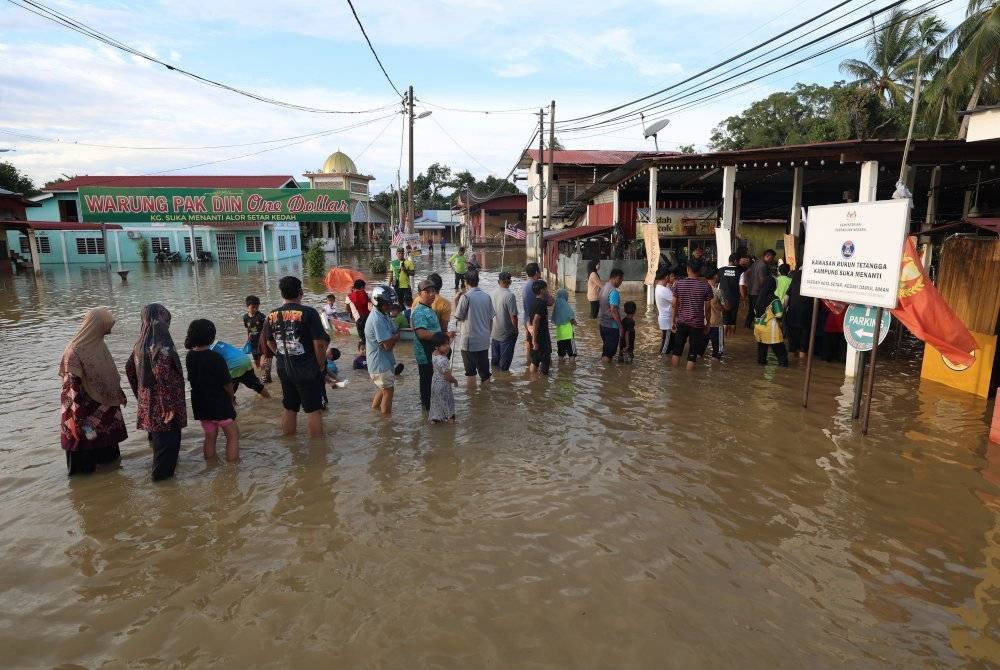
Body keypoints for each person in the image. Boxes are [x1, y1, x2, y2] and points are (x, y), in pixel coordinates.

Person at [59, 308, 128, 476]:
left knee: (111, 467)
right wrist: (78, 421)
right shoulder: (74, 353)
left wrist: (118, 393)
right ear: (96, 326)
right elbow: (70, 391)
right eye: (107, 326)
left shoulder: (99, 345)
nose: (110, 330)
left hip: (105, 412)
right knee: (83, 471)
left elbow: (109, 374)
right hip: (84, 414)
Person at [125, 303, 187, 481]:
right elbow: (162, 376)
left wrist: (142, 396)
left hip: (150, 405)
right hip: (166, 409)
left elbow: (129, 368)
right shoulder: (162, 347)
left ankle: (160, 484)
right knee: (166, 454)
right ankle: (165, 493)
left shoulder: (140, 343)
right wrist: (167, 406)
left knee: (159, 447)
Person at [262, 276, 329, 437]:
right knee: (313, 410)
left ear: (281, 293)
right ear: (301, 292)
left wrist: (281, 356)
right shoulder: (309, 313)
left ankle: (290, 445)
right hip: (306, 368)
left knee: (290, 407)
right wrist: (320, 365)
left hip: (284, 368)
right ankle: (317, 452)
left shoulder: (271, 315)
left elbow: (269, 342)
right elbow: (319, 344)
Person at [184, 319, 240, 463]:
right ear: (211, 337)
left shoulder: (190, 356)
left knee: (210, 436)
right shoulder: (216, 357)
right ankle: (233, 469)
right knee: (233, 435)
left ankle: (210, 465)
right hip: (219, 403)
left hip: (201, 404)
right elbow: (227, 384)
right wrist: (232, 398)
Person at [671, 261, 714, 370]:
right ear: (700, 271)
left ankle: (674, 375)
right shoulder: (706, 286)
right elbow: (708, 308)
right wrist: (708, 323)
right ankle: (689, 379)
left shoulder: (679, 284)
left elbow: (674, 304)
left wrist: (673, 320)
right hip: (697, 324)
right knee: (692, 353)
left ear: (688, 269)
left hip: (682, 322)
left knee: (677, 351)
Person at [454, 270, 495, 383]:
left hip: (469, 342)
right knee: (485, 375)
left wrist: (456, 301)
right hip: (483, 341)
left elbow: (458, 317)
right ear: (478, 281)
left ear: (466, 282)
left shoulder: (465, 297)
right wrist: (487, 334)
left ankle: (473, 399)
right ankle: (485, 397)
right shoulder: (487, 296)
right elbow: (491, 319)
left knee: (471, 374)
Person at [365, 286, 400, 415]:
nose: (390, 306)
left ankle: (374, 413)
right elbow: (387, 345)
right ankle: (386, 423)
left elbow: (394, 331)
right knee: (388, 391)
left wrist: (394, 336)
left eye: (391, 303)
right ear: (378, 302)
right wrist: (395, 337)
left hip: (384, 362)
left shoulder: (383, 314)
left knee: (383, 388)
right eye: (387, 304)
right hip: (380, 364)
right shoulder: (377, 319)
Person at [411, 279, 445, 411]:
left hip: (433, 353)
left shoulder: (429, 309)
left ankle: (431, 409)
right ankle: (428, 410)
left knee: (433, 383)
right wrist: (441, 337)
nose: (432, 294)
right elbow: (422, 334)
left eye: (433, 291)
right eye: (427, 292)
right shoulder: (419, 311)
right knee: (427, 384)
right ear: (419, 294)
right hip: (425, 354)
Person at [753, 276, 789, 366]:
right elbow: (779, 314)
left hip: (759, 329)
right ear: (774, 286)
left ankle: (760, 373)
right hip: (771, 330)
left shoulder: (759, 298)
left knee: (762, 355)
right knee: (782, 355)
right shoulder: (774, 299)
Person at [490, 271, 519, 372]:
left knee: (495, 362)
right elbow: (513, 317)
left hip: (494, 332)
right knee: (504, 366)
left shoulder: (492, 293)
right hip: (506, 333)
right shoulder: (510, 296)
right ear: (510, 282)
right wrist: (516, 330)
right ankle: (504, 384)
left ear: (499, 281)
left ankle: (495, 381)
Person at [598, 268, 625, 363]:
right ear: (617, 278)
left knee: (606, 350)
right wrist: (620, 327)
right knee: (608, 354)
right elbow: (613, 310)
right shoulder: (614, 292)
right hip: (611, 327)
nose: (621, 283)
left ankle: (606, 374)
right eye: (621, 281)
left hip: (602, 325)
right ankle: (606, 374)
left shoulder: (603, 288)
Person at [784, 269, 813, 358]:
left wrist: (783, 313)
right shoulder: (810, 287)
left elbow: (786, 300)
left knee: (792, 344)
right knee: (803, 344)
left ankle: (792, 362)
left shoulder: (792, 286)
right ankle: (802, 362)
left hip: (792, 316)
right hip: (805, 317)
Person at [745, 249, 776, 329]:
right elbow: (763, 280)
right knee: (758, 309)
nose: (772, 260)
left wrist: (748, 283)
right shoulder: (763, 266)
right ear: (767, 256)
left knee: (752, 309)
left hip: (751, 290)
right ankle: (758, 326)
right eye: (771, 258)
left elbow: (746, 273)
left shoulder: (756, 263)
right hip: (758, 292)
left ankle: (747, 324)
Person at [429, 340, 458, 423]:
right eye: (444, 345)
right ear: (436, 347)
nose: (447, 347)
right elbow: (447, 376)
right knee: (448, 404)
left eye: (448, 344)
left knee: (436, 403)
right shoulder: (444, 360)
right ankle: (451, 423)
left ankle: (435, 420)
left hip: (434, 384)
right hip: (443, 385)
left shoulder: (434, 354)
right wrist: (455, 381)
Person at [529, 280, 552, 375]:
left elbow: (551, 302)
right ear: (542, 290)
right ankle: (543, 383)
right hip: (541, 338)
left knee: (534, 360)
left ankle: (533, 380)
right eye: (546, 288)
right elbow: (535, 321)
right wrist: (535, 341)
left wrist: (533, 339)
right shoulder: (542, 304)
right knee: (545, 361)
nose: (547, 290)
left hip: (536, 336)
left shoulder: (534, 302)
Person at [523, 262, 543, 369]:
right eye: (539, 270)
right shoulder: (538, 285)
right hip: (536, 320)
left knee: (529, 345)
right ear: (536, 272)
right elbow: (550, 301)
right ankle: (536, 369)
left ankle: (528, 366)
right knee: (539, 346)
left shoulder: (525, 285)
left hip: (526, 320)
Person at [718, 254, 741, 337]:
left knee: (725, 318)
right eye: (738, 261)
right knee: (733, 318)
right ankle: (732, 337)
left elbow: (716, 283)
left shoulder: (720, 270)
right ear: (735, 261)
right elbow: (741, 285)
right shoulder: (739, 271)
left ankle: (724, 338)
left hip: (723, 297)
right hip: (735, 297)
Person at [655, 268, 676, 355]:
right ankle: (662, 362)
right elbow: (676, 302)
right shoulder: (664, 290)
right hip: (667, 320)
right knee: (665, 346)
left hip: (665, 318)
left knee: (669, 343)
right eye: (671, 276)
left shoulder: (660, 288)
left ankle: (666, 363)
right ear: (666, 277)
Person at [705, 269, 725, 359]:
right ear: (715, 277)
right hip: (716, 323)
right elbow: (724, 307)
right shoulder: (718, 292)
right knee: (718, 352)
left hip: (704, 323)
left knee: (699, 351)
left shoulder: (701, 290)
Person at [553, 288, 577, 361]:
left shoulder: (556, 306)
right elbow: (571, 318)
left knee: (560, 353)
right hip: (568, 334)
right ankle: (572, 368)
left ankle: (560, 368)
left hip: (560, 335)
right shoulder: (566, 306)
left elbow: (555, 319)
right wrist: (575, 322)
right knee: (572, 354)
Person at [243, 295, 265, 368]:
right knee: (256, 361)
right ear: (248, 306)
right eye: (253, 307)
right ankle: (259, 371)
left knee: (263, 361)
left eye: (257, 307)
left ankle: (263, 373)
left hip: (261, 341)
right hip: (252, 342)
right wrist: (247, 339)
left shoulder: (261, 316)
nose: (255, 309)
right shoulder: (245, 317)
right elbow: (247, 329)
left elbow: (265, 328)